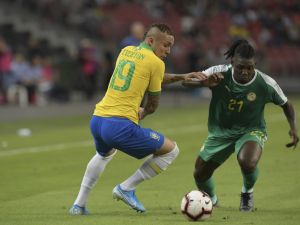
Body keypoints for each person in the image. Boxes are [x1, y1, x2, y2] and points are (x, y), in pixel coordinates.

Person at [69, 23, 207, 215]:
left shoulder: (126, 51)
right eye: (165, 45)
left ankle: (78, 205)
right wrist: (144, 112)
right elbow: (153, 104)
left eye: (170, 47)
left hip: (98, 119)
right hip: (119, 125)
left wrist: (182, 76)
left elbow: (151, 74)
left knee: (103, 155)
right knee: (171, 150)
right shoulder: (156, 63)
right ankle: (126, 188)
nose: (168, 51)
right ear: (151, 41)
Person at [182, 39, 299, 212]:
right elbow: (186, 82)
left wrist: (293, 127)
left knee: (248, 162)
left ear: (255, 64)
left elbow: (286, 104)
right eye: (240, 67)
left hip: (251, 130)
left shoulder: (265, 83)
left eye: (249, 67)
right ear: (232, 63)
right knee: (200, 174)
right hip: (220, 131)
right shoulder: (218, 73)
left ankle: (247, 193)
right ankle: (212, 200)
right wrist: (203, 83)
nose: (245, 71)